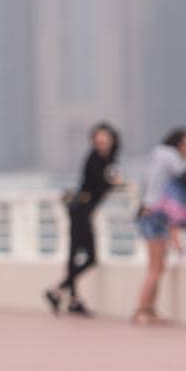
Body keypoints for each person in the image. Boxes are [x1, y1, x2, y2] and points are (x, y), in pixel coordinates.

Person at [45, 122, 122, 317]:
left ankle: (70, 298)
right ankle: (59, 291)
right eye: (99, 138)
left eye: (106, 138)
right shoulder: (95, 159)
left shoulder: (107, 160)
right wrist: (114, 183)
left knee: (76, 254)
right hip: (81, 210)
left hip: (83, 209)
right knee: (89, 257)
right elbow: (99, 183)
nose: (102, 141)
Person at [133, 127, 186, 325]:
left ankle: (150, 310)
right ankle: (142, 310)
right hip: (155, 214)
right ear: (177, 142)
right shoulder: (169, 156)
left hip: (149, 211)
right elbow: (184, 176)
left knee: (159, 266)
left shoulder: (157, 156)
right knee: (155, 267)